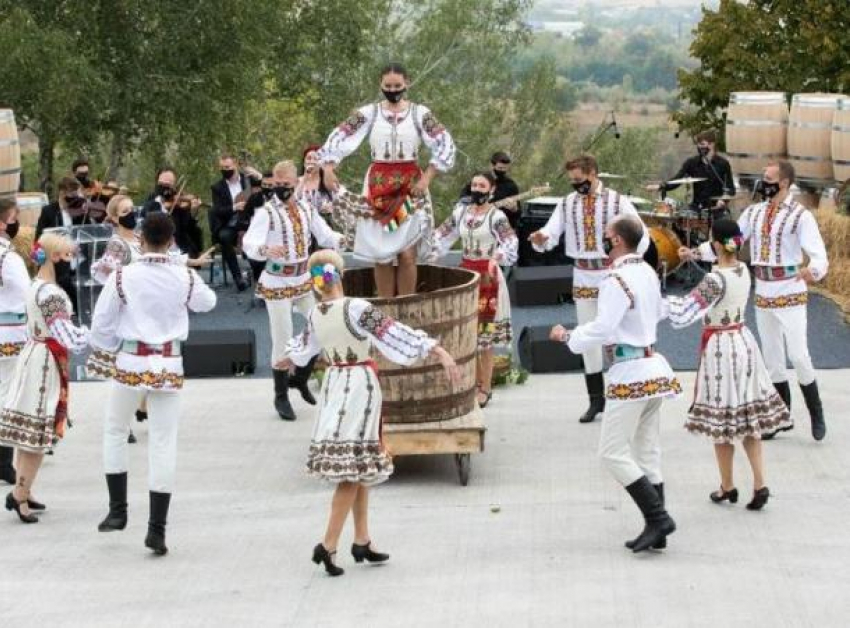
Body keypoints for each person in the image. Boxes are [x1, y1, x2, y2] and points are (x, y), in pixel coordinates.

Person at [282, 249, 459, 576]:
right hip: (359, 385)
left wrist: (286, 359)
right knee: (352, 468)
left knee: (359, 462)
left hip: (335, 384)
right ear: (341, 274)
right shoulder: (356, 308)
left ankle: (362, 539)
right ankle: (328, 544)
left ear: (317, 281)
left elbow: (303, 347)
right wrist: (438, 350)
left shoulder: (315, 314)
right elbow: (394, 332)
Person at [550, 215, 681, 553]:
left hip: (631, 370)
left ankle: (657, 518)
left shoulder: (616, 279)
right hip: (653, 367)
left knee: (612, 452)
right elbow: (658, 312)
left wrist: (568, 336)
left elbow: (603, 327)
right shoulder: (648, 273)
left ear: (619, 241)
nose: (603, 242)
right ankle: (658, 528)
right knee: (647, 449)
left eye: (606, 237)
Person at [90, 213, 216, 555]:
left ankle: (118, 510)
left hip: (131, 357)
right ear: (172, 240)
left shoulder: (123, 275)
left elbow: (101, 323)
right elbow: (208, 303)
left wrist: (109, 341)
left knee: (115, 429)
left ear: (141, 238)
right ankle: (157, 528)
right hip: (169, 361)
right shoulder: (184, 275)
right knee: (163, 440)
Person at [682, 160, 829, 441]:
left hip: (790, 290)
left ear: (784, 183)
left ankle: (816, 412)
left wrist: (815, 270)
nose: (764, 183)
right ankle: (780, 416)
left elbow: (819, 254)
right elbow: (732, 242)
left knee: (798, 355)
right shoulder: (755, 212)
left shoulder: (801, 216)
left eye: (769, 178)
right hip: (763, 290)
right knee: (772, 358)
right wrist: (697, 252)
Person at [666, 219, 791, 510]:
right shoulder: (743, 269)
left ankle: (728, 486)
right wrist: (693, 254)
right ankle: (760, 483)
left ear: (717, 244)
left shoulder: (714, 280)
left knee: (722, 423)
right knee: (748, 419)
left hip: (721, 349)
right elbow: (714, 254)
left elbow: (687, 311)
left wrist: (659, 304)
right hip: (744, 341)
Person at [319, 62, 456, 297]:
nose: (393, 89)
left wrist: (428, 178)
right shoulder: (368, 113)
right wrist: (329, 168)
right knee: (381, 254)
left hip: (410, 187)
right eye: (388, 85)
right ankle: (386, 309)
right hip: (377, 187)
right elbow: (340, 134)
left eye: (397, 85)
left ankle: (406, 306)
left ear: (407, 84)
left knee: (407, 254)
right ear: (380, 85)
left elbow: (445, 142)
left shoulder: (420, 114)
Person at [529, 154, 649, 424]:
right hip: (582, 273)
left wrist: (630, 261)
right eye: (572, 181)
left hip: (611, 272)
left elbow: (641, 233)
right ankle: (596, 398)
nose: (576, 186)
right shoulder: (568, 203)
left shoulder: (617, 201)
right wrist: (541, 238)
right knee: (587, 333)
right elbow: (551, 231)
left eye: (580, 180)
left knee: (619, 331)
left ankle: (628, 394)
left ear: (593, 173)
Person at [243, 160, 344, 421]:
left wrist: (344, 239)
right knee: (283, 337)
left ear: (295, 182)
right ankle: (280, 395)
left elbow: (325, 236)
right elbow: (249, 242)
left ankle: (299, 378)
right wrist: (265, 249)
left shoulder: (306, 209)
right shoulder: (267, 212)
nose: (280, 189)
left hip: (303, 279)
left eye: (286, 184)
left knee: (320, 327)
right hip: (277, 281)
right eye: (276, 185)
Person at [0, 232, 90, 523]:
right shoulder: (49, 293)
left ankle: (23, 489)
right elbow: (66, 335)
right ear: (54, 256)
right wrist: (91, 335)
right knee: (37, 435)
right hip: (44, 361)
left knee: (33, 434)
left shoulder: (37, 285)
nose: (70, 261)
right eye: (67, 256)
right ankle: (20, 495)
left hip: (36, 354)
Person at [431, 172, 518, 407]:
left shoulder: (496, 216)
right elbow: (441, 233)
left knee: (485, 335)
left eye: (482, 185)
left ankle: (485, 387)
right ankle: (469, 383)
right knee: (466, 332)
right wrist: (430, 249)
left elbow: (510, 241)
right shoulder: (461, 213)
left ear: (491, 190)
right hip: (467, 275)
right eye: (474, 185)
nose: (477, 189)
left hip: (488, 278)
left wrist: (497, 256)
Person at [0, 199, 29, 486]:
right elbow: (26, 293)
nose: (15, 224)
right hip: (8, 329)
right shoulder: (8, 257)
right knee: (7, 394)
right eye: (12, 218)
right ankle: (3, 459)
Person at [662, 130, 736, 217]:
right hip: (696, 209)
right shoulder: (691, 163)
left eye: (702, 144)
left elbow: (730, 189)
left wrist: (723, 200)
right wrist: (662, 186)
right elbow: (677, 180)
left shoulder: (723, 164)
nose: (699, 147)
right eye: (698, 144)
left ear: (712, 144)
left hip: (716, 210)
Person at [142, 167, 205, 261]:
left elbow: (187, 229)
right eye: (160, 184)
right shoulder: (152, 199)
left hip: (178, 249)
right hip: (155, 250)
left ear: (175, 186)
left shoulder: (181, 204)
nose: (163, 187)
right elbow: (145, 213)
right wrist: (162, 206)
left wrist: (193, 213)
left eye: (167, 185)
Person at [209, 154, 251, 291]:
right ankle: (238, 278)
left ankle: (261, 274)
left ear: (236, 166)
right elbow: (217, 210)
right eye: (222, 168)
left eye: (227, 167)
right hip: (230, 223)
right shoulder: (217, 187)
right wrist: (234, 207)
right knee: (224, 237)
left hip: (250, 221)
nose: (224, 170)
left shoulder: (247, 181)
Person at [460, 152, 522, 231]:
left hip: (500, 228)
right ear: (492, 165)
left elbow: (518, 214)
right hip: (478, 226)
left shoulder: (511, 185)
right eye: (500, 168)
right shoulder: (480, 179)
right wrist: (476, 205)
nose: (502, 171)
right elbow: (463, 197)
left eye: (505, 168)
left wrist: (514, 209)